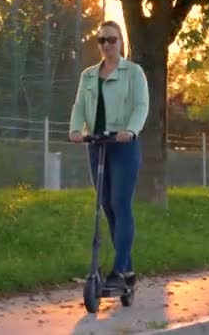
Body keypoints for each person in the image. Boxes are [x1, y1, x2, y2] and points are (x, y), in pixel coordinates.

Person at [69, 20, 149, 289]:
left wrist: (131, 130)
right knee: (105, 204)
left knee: (120, 203)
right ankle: (126, 269)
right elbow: (80, 105)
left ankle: (119, 269)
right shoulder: (89, 75)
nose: (106, 45)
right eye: (101, 40)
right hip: (97, 143)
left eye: (111, 39)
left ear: (121, 42)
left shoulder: (134, 72)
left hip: (123, 145)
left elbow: (141, 106)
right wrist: (75, 130)